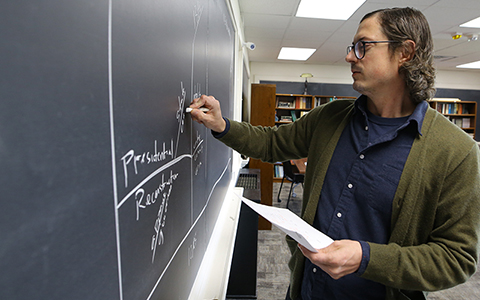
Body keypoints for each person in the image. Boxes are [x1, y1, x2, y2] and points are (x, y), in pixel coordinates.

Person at [189, 7, 480, 300]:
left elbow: (456, 259)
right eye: (352, 47)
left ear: (404, 52)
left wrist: (366, 257)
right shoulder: (330, 117)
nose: (350, 56)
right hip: (305, 291)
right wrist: (222, 125)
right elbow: (271, 144)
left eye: (362, 46)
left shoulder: (456, 152)